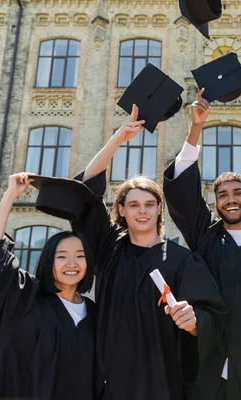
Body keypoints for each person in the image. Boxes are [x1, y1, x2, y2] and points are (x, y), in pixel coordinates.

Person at [72, 104, 226, 400]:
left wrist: (195, 325)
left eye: (149, 204)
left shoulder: (182, 261)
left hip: (162, 379)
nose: (141, 211)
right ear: (120, 210)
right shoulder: (109, 248)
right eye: (133, 204)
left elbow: (212, 315)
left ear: (159, 209)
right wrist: (116, 140)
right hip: (112, 377)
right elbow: (87, 192)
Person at [163, 89, 241, 400]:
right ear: (215, 202)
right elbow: (182, 189)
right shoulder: (206, 237)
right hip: (210, 363)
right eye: (222, 195)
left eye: (237, 193)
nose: (230, 199)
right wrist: (196, 127)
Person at [0, 172, 97, 400]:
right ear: (48, 261)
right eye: (61, 257)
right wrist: (10, 196)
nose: (71, 264)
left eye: (79, 256)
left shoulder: (93, 313)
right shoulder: (24, 297)